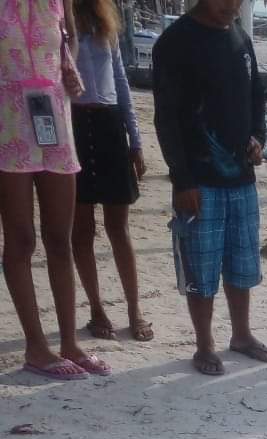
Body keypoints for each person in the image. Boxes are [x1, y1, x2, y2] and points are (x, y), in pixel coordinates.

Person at [153, 0, 267, 376]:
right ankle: (204, 345)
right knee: (201, 269)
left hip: (242, 177)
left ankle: (241, 335)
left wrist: (258, 137)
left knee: (241, 263)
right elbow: (166, 118)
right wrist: (182, 179)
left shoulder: (239, 35)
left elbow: (256, 94)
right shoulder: (174, 42)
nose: (233, 5)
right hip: (199, 183)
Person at [0, 0, 110, 379]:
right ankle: (36, 347)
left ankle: (69, 342)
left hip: (53, 118)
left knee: (60, 238)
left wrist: (69, 65)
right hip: (7, 123)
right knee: (20, 238)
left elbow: (71, 40)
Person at [71, 0, 152, 342]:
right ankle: (96, 308)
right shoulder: (61, 20)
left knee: (118, 228)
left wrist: (135, 139)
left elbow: (120, 82)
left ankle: (135, 309)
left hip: (108, 124)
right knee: (82, 229)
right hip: (73, 123)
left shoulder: (107, 23)